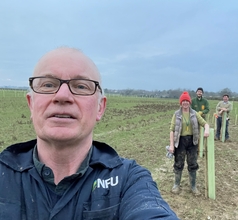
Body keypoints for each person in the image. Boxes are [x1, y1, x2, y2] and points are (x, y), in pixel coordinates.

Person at [0, 47, 179, 220]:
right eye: (48, 84)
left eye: (81, 86)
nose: (62, 96)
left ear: (100, 107)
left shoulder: (128, 181)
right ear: (31, 104)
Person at [168, 91, 210, 195]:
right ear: (180, 103)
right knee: (178, 163)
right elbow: (172, 130)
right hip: (180, 142)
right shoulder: (176, 114)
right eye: (183, 101)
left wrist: (206, 130)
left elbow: (205, 124)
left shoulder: (194, 113)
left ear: (190, 102)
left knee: (193, 164)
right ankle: (176, 185)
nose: (185, 103)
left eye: (187, 100)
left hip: (192, 142)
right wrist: (172, 145)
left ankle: (193, 186)